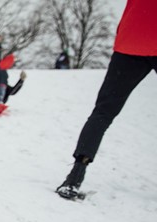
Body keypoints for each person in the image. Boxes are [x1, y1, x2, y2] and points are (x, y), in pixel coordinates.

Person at [55, 0, 156, 200]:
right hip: (132, 43)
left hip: (130, 42)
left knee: (102, 112)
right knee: (102, 112)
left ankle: (74, 178)